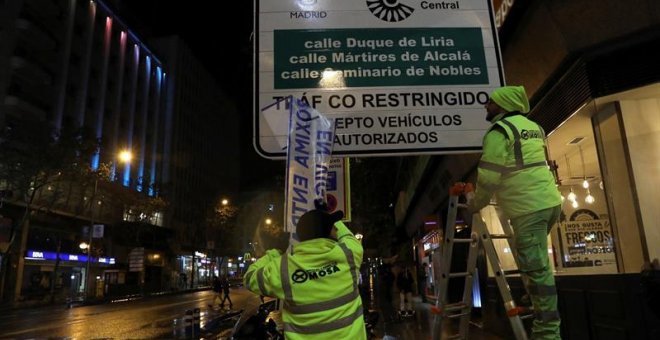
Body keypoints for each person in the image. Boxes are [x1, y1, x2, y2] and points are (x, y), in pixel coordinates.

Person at [467, 85, 562, 340]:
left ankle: (547, 333)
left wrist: (476, 203)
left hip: (527, 207)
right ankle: (534, 301)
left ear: (504, 105)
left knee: (538, 270)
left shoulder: (499, 132)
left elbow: (488, 177)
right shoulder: (534, 127)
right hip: (549, 202)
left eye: (491, 102)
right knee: (535, 263)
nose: (486, 106)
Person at [243, 206, 366, 339]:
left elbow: (249, 278)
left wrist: (275, 252)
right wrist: (329, 215)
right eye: (333, 227)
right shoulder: (347, 255)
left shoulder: (284, 267)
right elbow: (348, 236)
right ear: (331, 231)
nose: (335, 229)